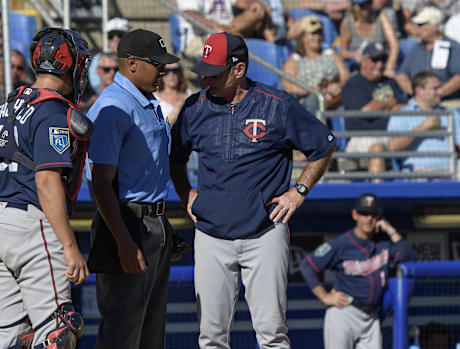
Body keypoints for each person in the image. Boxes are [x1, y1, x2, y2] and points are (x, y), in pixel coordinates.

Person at [170, 32, 336, 349]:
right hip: (211, 233)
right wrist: (185, 193)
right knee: (211, 337)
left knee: (272, 334)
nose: (206, 78)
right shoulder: (194, 107)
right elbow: (175, 158)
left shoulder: (277, 105)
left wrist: (299, 191)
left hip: (264, 231)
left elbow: (323, 145)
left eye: (214, 72)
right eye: (203, 71)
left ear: (239, 69)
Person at [0, 27, 91, 349]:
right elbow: (46, 180)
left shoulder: (6, 106)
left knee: (11, 333)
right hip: (32, 227)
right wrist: (70, 245)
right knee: (58, 331)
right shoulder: (54, 111)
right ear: (69, 64)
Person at [87, 28, 179, 349]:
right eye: (157, 63)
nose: (164, 70)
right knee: (122, 334)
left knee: (151, 334)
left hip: (152, 220)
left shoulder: (146, 101)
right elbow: (100, 182)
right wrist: (124, 241)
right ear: (132, 63)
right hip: (126, 220)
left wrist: (161, 227)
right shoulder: (114, 106)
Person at [299, 193, 416, 349]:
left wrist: (389, 229)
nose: (368, 218)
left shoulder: (383, 244)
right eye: (364, 213)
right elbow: (307, 266)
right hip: (345, 312)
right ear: (355, 215)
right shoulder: (341, 243)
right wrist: (325, 296)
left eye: (373, 214)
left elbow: (409, 256)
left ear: (379, 216)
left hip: (371, 317)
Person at [341, 42, 406, 178]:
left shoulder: (390, 82)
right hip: (363, 137)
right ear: (364, 61)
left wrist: (381, 105)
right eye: (375, 60)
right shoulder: (354, 83)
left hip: (391, 135)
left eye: (383, 60)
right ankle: (377, 196)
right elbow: (367, 111)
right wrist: (390, 103)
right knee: (378, 149)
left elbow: (403, 108)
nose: (380, 64)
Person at [388, 71, 460, 173]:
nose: (441, 92)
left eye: (440, 87)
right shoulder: (402, 114)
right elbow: (392, 147)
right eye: (435, 88)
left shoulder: (450, 113)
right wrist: (421, 128)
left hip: (450, 172)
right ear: (419, 91)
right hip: (417, 173)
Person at [282, 15, 350, 114]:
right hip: (309, 100)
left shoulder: (332, 54)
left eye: (319, 33)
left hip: (334, 97)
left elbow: (346, 76)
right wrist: (312, 90)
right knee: (313, 101)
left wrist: (337, 85)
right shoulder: (294, 60)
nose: (317, 37)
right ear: (303, 37)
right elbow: (288, 86)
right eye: (313, 34)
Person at [396, 7, 460, 103]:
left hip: (446, 103)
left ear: (435, 27)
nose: (418, 29)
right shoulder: (416, 48)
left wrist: (437, 93)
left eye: (422, 25)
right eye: (417, 25)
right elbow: (402, 75)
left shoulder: (452, 47)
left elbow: (458, 77)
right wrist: (415, 93)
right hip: (418, 102)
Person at [178, 0, 275, 59]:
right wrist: (216, 27)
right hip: (202, 37)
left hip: (230, 30)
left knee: (258, 8)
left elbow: (242, 2)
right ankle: (274, 46)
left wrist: (256, 3)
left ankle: (274, 47)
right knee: (238, 42)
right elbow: (189, 14)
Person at [339, 0, 398, 78]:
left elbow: (394, 45)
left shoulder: (380, 16)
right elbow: (343, 52)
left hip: (382, 64)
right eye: (362, 5)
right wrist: (353, 54)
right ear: (354, 7)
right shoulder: (347, 23)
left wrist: (389, 67)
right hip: (362, 69)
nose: (367, 8)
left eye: (369, 3)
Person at [88, 17, 130, 95]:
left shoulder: (134, 58)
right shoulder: (98, 58)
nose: (115, 39)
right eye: (111, 36)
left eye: (120, 35)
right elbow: (95, 83)